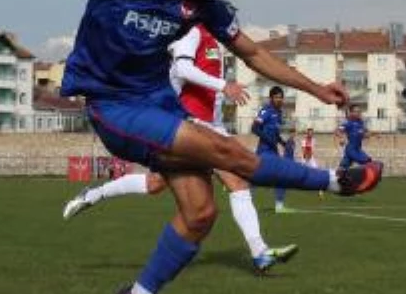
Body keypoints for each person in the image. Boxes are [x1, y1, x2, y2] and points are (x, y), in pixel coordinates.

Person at [0, 0, 381, 294]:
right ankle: (337, 181)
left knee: (200, 213)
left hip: (158, 104)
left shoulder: (205, 6)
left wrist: (317, 89)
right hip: (113, 105)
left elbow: (253, 54)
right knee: (227, 152)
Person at [62, 24, 299, 273]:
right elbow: (183, 68)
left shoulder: (214, 40)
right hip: (190, 125)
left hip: (211, 125)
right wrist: (223, 85)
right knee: (233, 180)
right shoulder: (193, 31)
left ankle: (94, 194)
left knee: (158, 184)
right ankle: (259, 252)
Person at [252, 86, 290, 213]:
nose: (279, 99)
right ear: (271, 98)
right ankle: (245, 204)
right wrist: (269, 140)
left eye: (281, 97)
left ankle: (279, 205)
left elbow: (275, 134)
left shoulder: (279, 113)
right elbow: (254, 128)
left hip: (273, 150)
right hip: (263, 150)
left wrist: (283, 143)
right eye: (276, 97)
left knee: (282, 175)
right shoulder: (265, 111)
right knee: (255, 178)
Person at [335, 103, 373, 171]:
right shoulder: (348, 123)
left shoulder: (361, 123)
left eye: (359, 111)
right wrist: (342, 138)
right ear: (351, 113)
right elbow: (337, 131)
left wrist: (368, 135)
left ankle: (335, 177)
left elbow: (364, 133)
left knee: (342, 170)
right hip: (352, 150)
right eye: (356, 111)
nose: (359, 113)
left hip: (357, 149)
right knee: (368, 162)